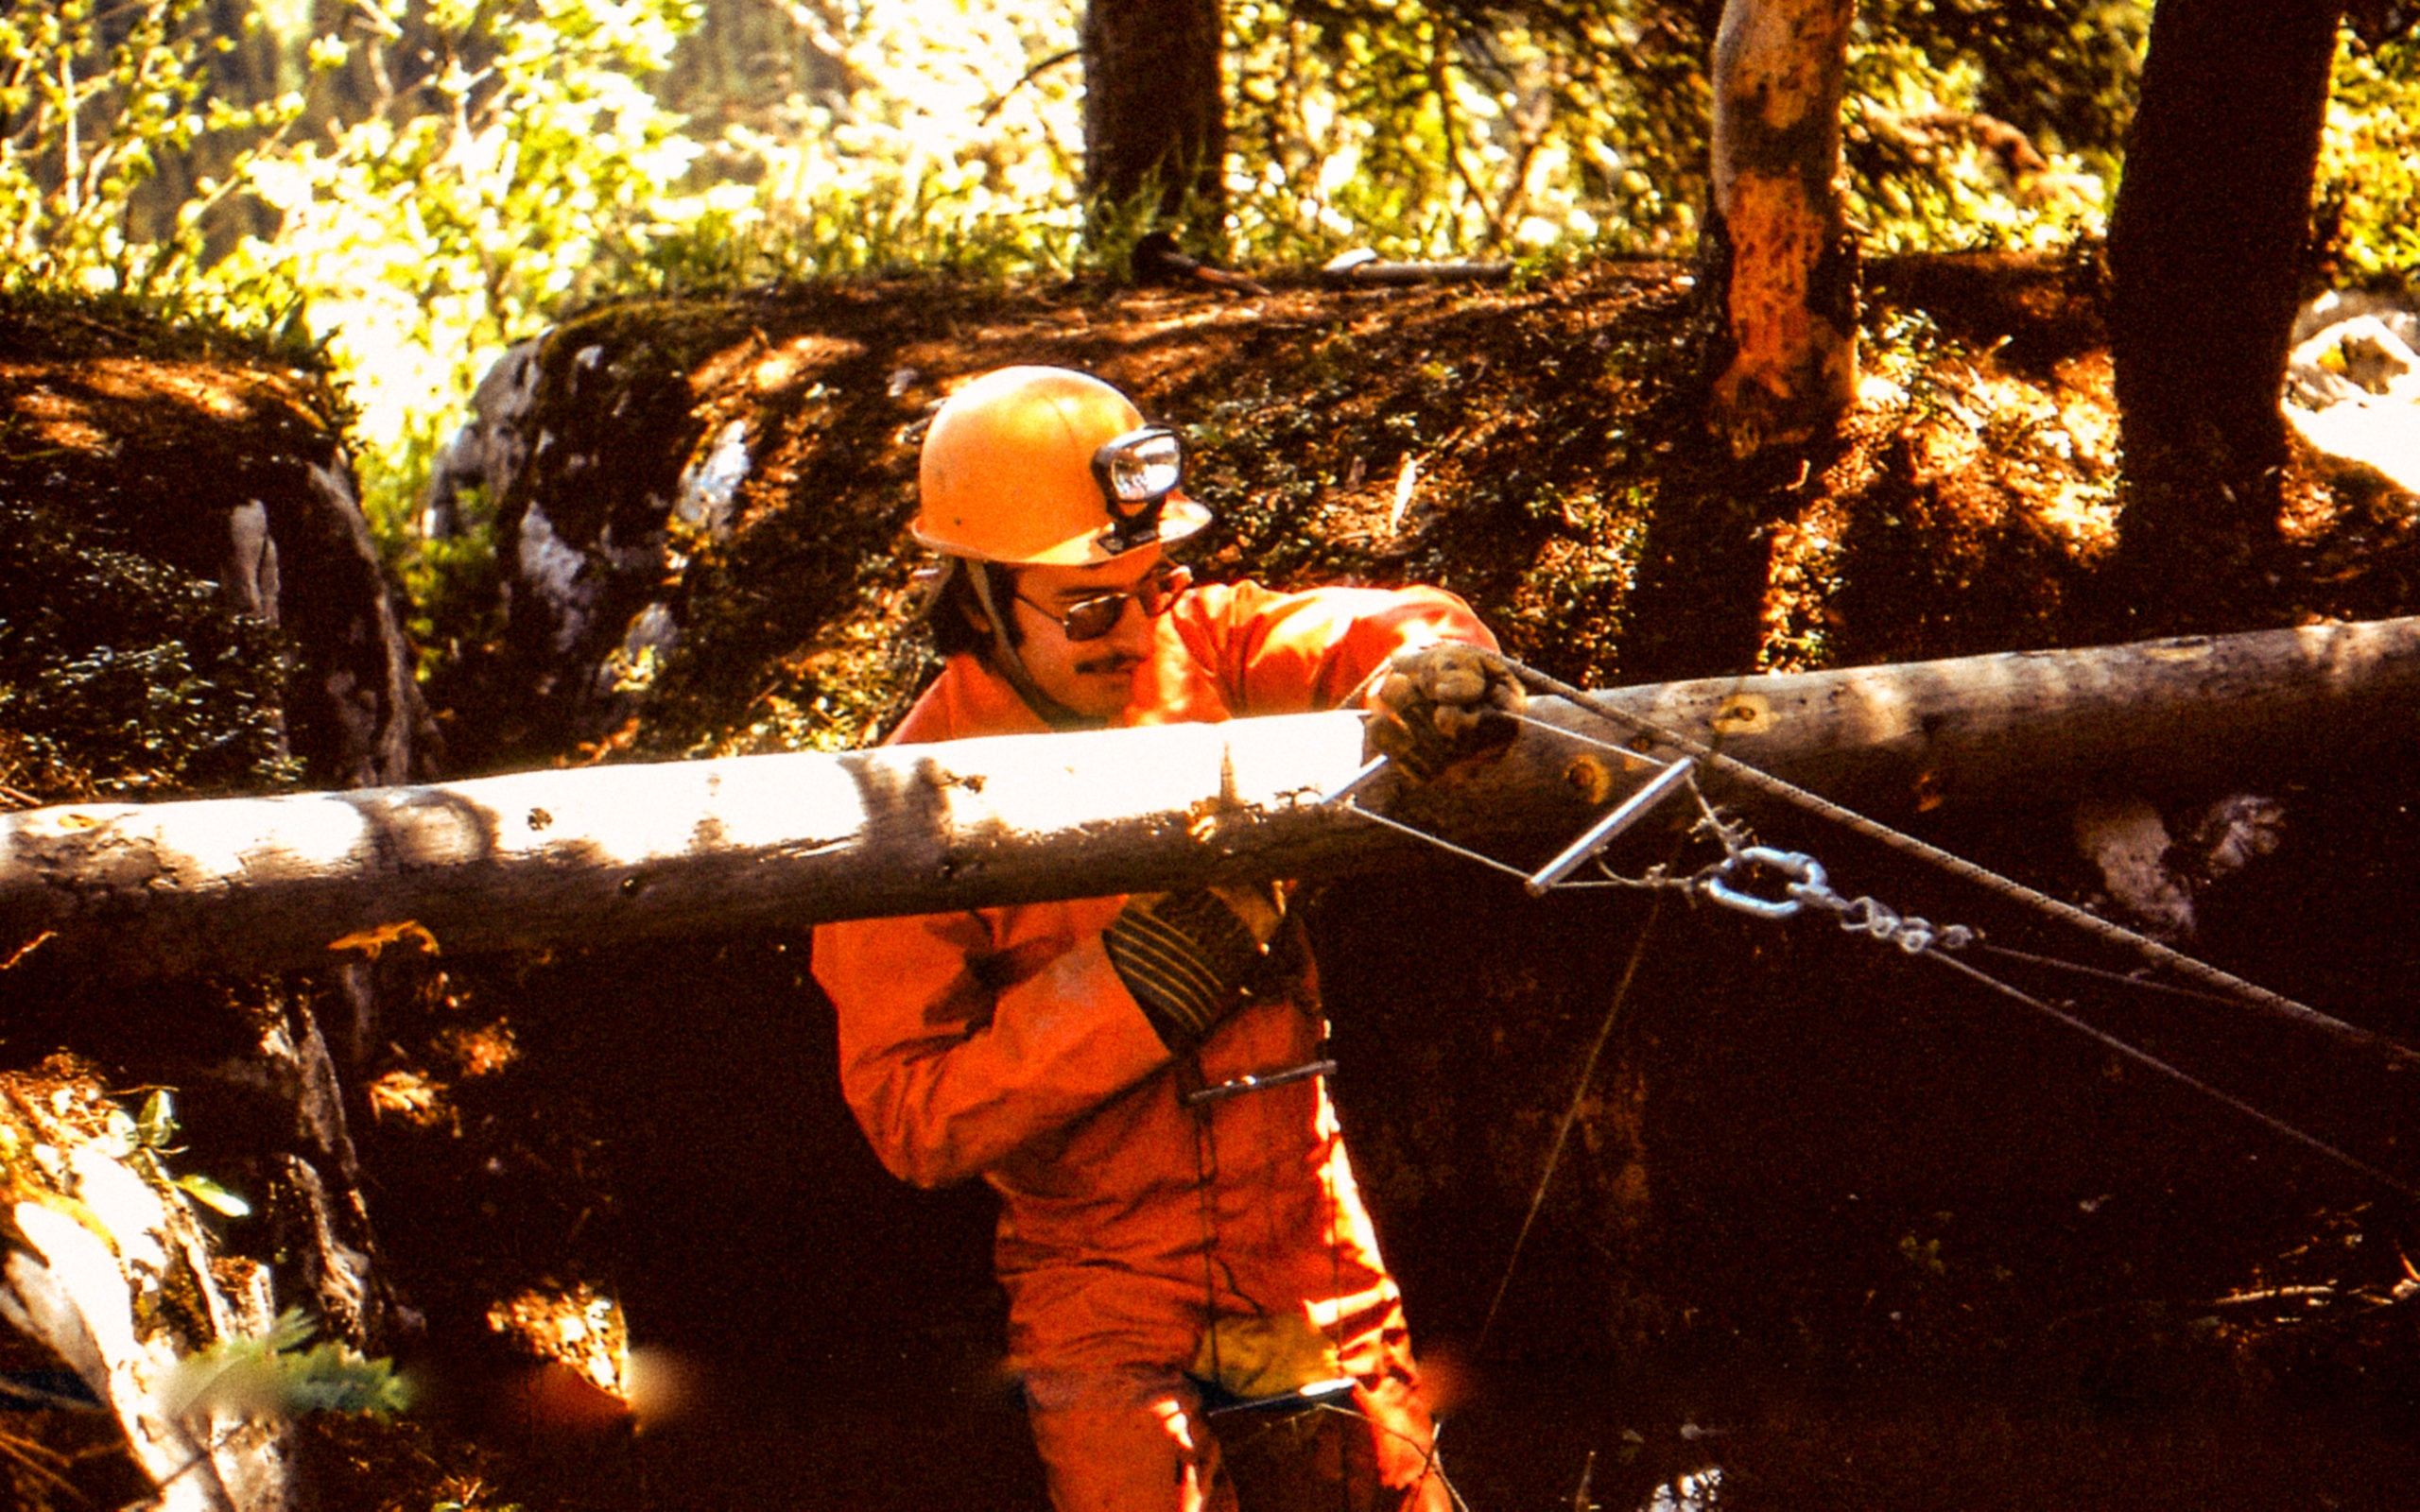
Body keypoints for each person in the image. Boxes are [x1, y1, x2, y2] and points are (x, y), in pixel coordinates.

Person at [812, 366, 1525, 1512]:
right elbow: (911, 1114)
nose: (1136, 629)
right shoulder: (910, 807)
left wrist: (1425, 661)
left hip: (1308, 1254)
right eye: (1091, 606)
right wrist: (1135, 991)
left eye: (1154, 585)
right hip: (1103, 1287)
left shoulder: (1208, 649)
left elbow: (1366, 625)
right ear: (982, 595)